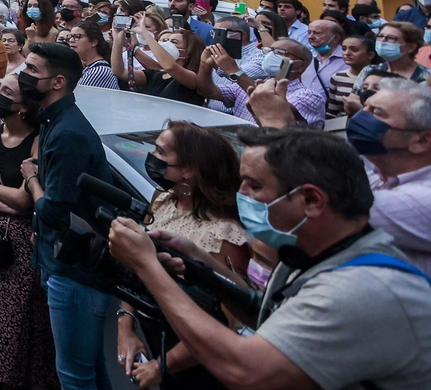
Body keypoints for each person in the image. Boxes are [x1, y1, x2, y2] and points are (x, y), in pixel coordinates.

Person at [107, 126, 431, 390]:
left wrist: (148, 268)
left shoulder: (359, 288)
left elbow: (245, 370)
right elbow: (263, 313)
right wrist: (198, 262)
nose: (241, 194)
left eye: (254, 185)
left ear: (311, 199)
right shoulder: (304, 255)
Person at [116, 121, 248, 388]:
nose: (152, 158)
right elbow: (138, 266)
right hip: (156, 336)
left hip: (197, 361)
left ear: (188, 170)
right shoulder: (164, 201)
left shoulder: (224, 233)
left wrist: (164, 365)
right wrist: (126, 324)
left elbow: (227, 322)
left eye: (161, 153)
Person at [19, 42, 113, 390]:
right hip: (61, 259)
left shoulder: (67, 132)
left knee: (74, 377)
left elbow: (56, 209)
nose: (22, 76)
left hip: (75, 270)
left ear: (57, 82)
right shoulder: (54, 121)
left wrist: (31, 179)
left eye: (31, 70)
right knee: (88, 370)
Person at [0, 75, 57, 390]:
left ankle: (21, 380)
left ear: (23, 107)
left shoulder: (38, 139)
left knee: (20, 319)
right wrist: (0, 200)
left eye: (7, 92)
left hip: (24, 242)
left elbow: (24, 197)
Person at [347, 77, 431, 276]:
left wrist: (276, 121)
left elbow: (321, 208)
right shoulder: (380, 176)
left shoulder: (424, 198)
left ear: (421, 140)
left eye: (377, 113)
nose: (360, 117)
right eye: (365, 107)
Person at [361, 22, 431, 86]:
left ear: (411, 47)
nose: (382, 41)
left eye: (390, 38)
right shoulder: (369, 71)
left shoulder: (427, 77)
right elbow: (354, 99)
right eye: (380, 36)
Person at [330, 33, 380, 119]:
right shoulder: (337, 77)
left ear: (370, 54)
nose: (347, 53)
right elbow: (331, 111)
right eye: (344, 49)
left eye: (354, 50)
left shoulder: (379, 78)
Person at [67, 20, 117, 88]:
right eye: (69, 37)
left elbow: (77, 96)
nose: (71, 40)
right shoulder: (87, 67)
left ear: (94, 42)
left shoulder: (99, 71)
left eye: (77, 36)